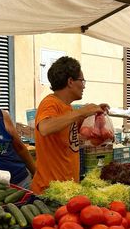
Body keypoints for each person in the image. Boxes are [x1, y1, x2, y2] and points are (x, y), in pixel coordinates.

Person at [31, 56, 108, 194]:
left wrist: (92, 121)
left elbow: (69, 138)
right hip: (50, 191)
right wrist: (81, 112)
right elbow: (45, 128)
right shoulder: (50, 103)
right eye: (82, 80)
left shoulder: (68, 108)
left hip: (66, 190)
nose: (84, 85)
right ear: (70, 81)